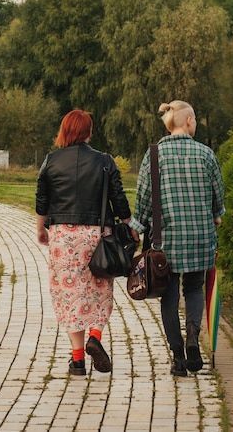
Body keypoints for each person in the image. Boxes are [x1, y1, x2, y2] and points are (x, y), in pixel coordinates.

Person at [36, 109, 138, 376]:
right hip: (98, 236)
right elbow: (119, 198)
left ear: (65, 131)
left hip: (62, 237)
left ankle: (78, 360)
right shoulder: (105, 161)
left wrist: (41, 230)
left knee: (69, 296)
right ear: (88, 132)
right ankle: (95, 336)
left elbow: (42, 200)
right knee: (100, 291)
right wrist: (128, 226)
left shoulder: (50, 161)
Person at [129, 100, 225, 376]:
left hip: (165, 244)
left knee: (169, 299)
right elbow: (218, 194)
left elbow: (145, 199)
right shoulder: (206, 154)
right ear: (189, 121)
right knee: (194, 290)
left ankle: (178, 357)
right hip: (200, 238)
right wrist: (216, 214)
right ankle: (194, 337)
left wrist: (136, 227)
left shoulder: (154, 155)